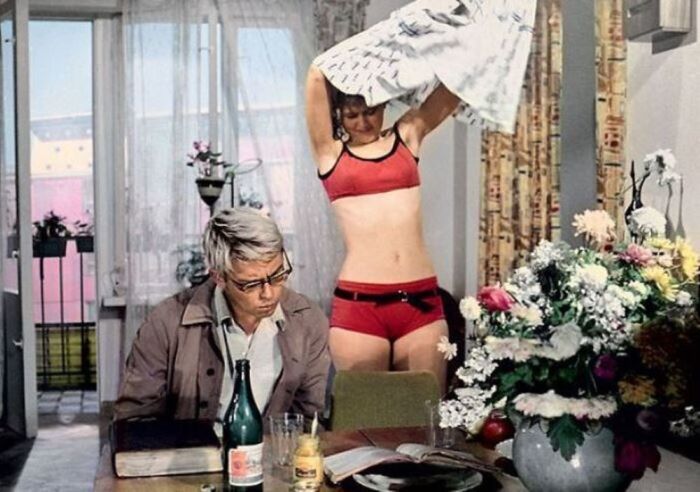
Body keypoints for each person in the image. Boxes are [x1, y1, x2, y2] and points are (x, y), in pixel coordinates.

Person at [305, 0, 536, 393]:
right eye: (351, 114)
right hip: (360, 305)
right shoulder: (330, 155)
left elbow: (456, 84)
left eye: (370, 110)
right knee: (367, 420)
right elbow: (317, 74)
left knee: (425, 417)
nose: (363, 121)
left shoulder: (407, 136)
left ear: (382, 103)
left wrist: (468, 24)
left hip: (422, 303)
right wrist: (388, 35)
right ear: (338, 116)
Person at [114, 207, 331, 425]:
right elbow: (134, 422)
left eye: (277, 275)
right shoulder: (165, 324)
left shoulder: (308, 321)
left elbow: (309, 422)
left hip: (273, 448)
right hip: (193, 447)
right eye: (251, 284)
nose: (269, 293)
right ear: (218, 277)